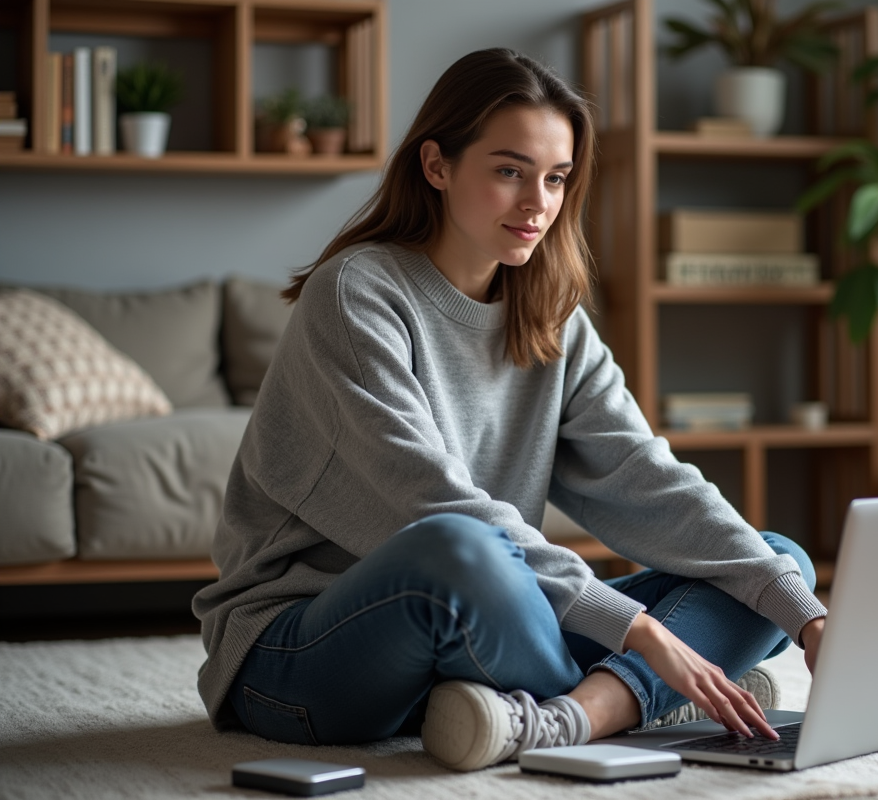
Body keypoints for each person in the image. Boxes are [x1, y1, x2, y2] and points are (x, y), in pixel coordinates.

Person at [192, 48, 827, 772]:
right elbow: (429, 506)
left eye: (556, 178)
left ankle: (566, 717)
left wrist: (810, 620)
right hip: (297, 653)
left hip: (476, 636)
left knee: (778, 564)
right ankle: (630, 702)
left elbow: (643, 476)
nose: (538, 203)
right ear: (436, 165)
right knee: (462, 548)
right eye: (508, 171)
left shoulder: (553, 316)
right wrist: (645, 637)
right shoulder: (355, 293)